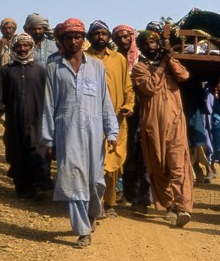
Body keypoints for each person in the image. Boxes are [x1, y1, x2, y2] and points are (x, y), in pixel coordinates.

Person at [42, 18, 119, 248]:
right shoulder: (54, 65)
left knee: (96, 181)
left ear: (83, 39)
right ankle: (83, 229)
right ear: (62, 40)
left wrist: (112, 131)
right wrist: (48, 138)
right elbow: (48, 103)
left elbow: (105, 101)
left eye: (78, 37)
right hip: (66, 131)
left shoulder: (96, 66)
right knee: (73, 180)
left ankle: (93, 213)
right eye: (69, 37)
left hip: (94, 132)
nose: (74, 41)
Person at [131, 30, 193, 227]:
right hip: (153, 125)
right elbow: (149, 87)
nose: (151, 46)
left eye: (154, 42)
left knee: (177, 165)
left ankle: (183, 207)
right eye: (146, 43)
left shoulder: (171, 64)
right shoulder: (140, 68)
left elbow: (184, 76)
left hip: (175, 123)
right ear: (140, 48)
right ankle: (169, 205)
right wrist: (163, 64)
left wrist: (170, 59)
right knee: (159, 167)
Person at [0, 33, 53, 200]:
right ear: (14, 48)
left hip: (38, 119)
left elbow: (51, 95)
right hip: (15, 120)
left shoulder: (41, 70)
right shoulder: (6, 71)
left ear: (31, 47)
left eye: (26, 46)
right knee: (17, 152)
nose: (22, 49)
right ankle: (24, 188)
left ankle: (40, 186)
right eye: (19, 46)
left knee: (39, 150)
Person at [86, 20, 135, 218]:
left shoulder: (118, 59)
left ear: (109, 37)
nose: (100, 37)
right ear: (90, 37)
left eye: (104, 33)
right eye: (96, 33)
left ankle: (110, 202)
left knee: (112, 164)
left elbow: (127, 86)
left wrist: (129, 105)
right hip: (88, 118)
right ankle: (93, 203)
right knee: (92, 162)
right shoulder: (83, 58)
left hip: (115, 118)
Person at [113, 24, 151, 214]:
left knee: (141, 149)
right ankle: (121, 191)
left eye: (126, 36)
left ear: (132, 36)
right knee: (121, 148)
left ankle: (143, 197)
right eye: (119, 38)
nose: (123, 40)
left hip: (142, 107)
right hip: (120, 108)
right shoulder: (113, 57)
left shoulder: (143, 58)